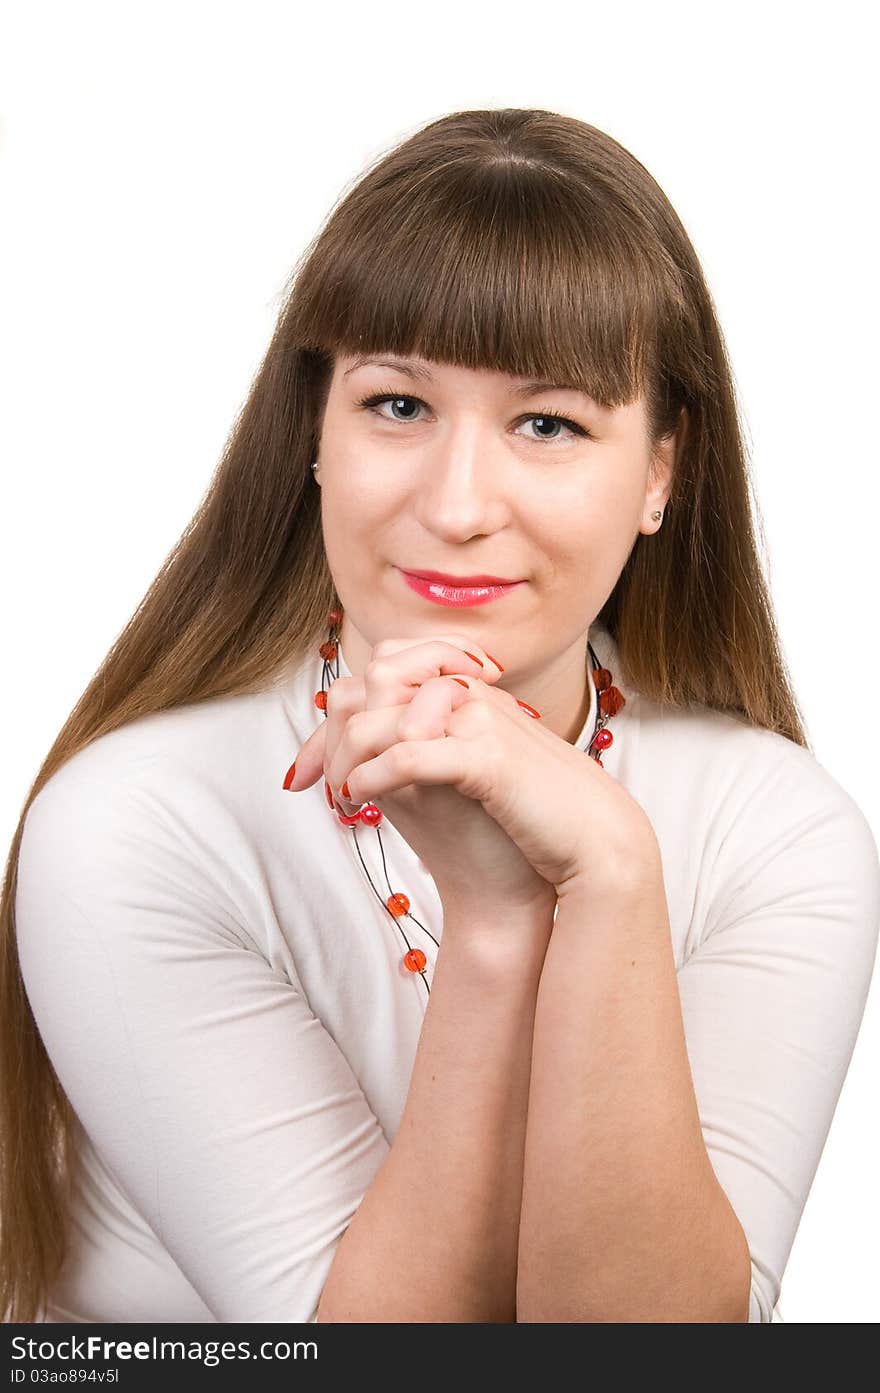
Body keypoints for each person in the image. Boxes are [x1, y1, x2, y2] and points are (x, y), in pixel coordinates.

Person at [2, 107, 878, 1325]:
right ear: (314, 433)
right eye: (398, 406)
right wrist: (502, 917)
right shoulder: (134, 821)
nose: (459, 505)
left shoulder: (774, 827)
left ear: (661, 473)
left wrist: (614, 873)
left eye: (548, 424)